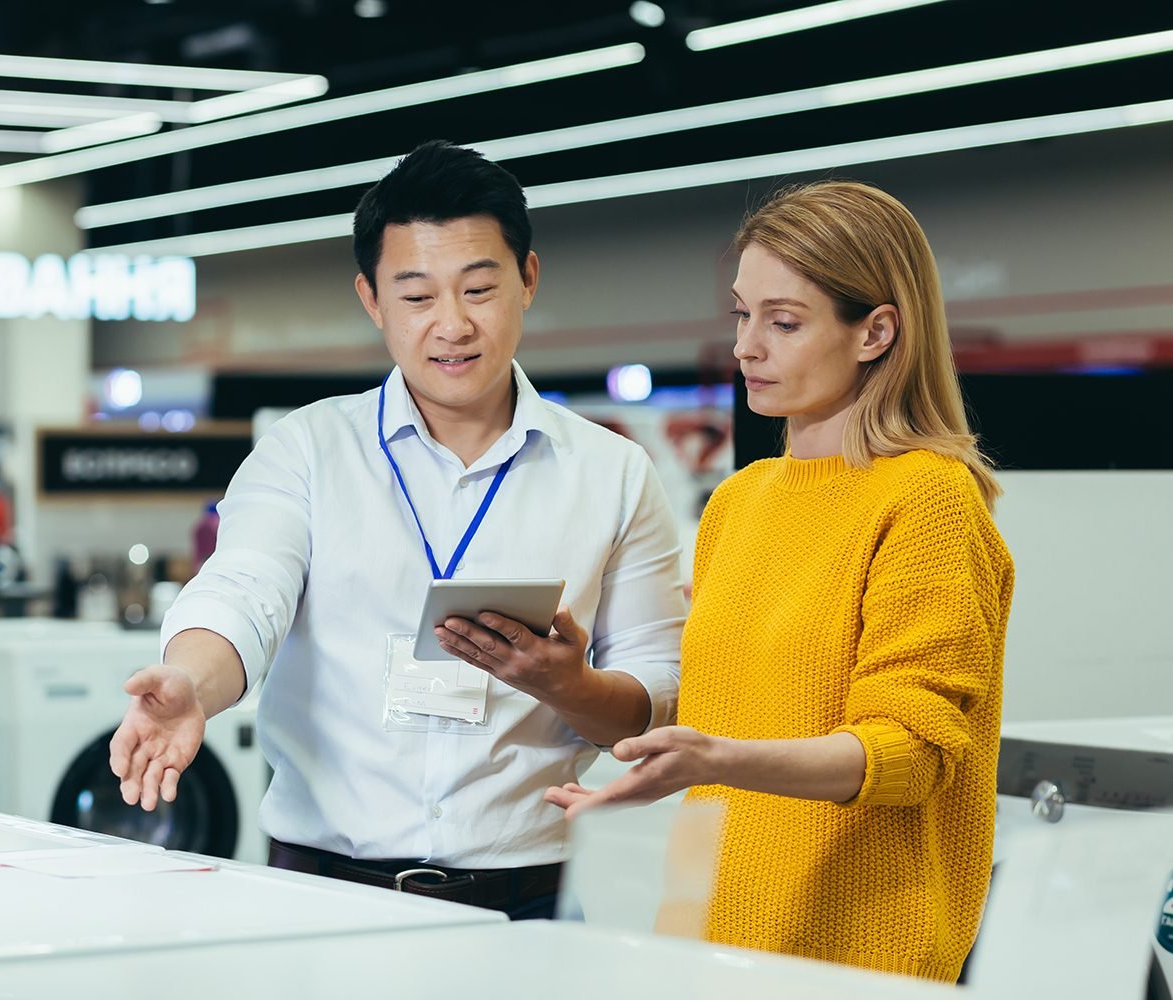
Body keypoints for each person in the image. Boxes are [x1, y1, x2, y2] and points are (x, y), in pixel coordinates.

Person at [110, 140, 687, 920]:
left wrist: (569, 687)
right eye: (416, 298)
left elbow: (658, 695)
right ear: (372, 301)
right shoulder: (308, 450)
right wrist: (191, 686)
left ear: (528, 280)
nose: (452, 325)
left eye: (479, 288)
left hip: (531, 910)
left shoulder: (613, 473)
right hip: (321, 905)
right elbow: (245, 593)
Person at [546, 180, 1014, 981]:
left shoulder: (928, 497)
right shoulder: (738, 502)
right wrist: (591, 700)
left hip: (855, 958)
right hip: (704, 939)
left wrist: (716, 758)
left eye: (784, 322)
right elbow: (732, 712)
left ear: (875, 332)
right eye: (742, 313)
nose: (745, 347)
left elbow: (908, 755)